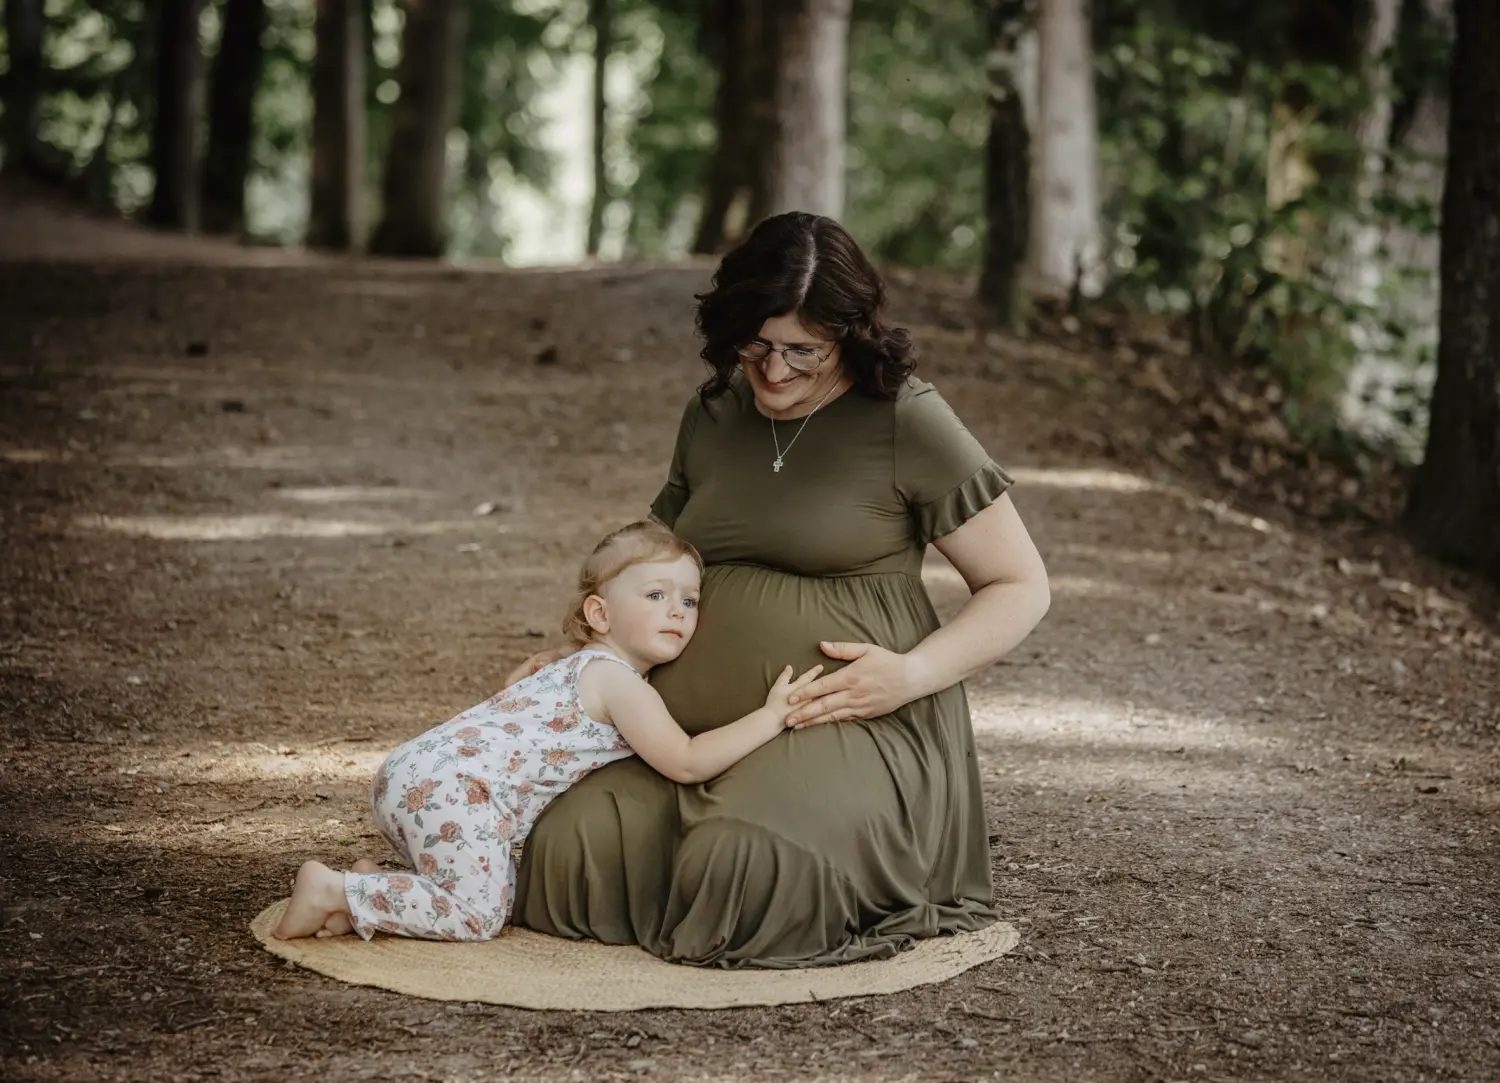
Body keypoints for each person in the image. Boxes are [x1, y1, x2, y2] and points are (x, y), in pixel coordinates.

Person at [509, 211, 1052, 968]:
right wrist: (580, 657)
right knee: (558, 840)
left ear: (850, 336)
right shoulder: (713, 413)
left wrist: (911, 673)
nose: (773, 369)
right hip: (681, 731)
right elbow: (653, 564)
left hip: (848, 722)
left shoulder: (906, 418)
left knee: (747, 859)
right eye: (756, 344)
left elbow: (1020, 584)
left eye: (804, 351)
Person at [270, 521, 825, 942]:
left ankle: (366, 891)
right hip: (457, 794)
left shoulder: (567, 666)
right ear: (601, 614)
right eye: (656, 596)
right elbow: (685, 760)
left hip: (414, 774)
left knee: (507, 891)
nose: (677, 611)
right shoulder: (620, 683)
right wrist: (771, 716)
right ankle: (335, 889)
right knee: (481, 914)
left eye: (689, 600)